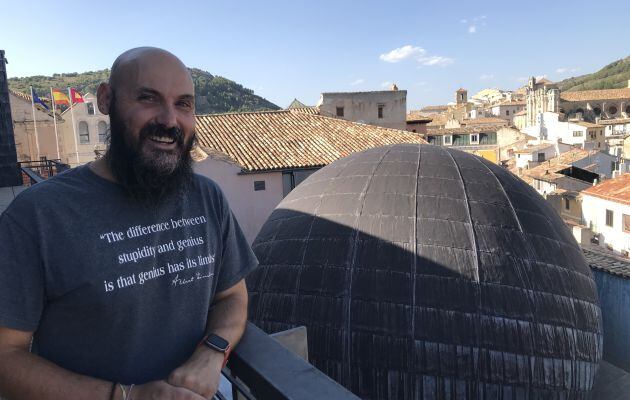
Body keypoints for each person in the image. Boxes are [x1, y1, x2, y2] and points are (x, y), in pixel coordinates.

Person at [0, 47, 258, 400]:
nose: (169, 120)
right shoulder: (37, 215)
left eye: (184, 104)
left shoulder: (207, 197)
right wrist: (128, 396)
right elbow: (6, 356)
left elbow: (232, 296)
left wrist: (212, 353)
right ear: (106, 99)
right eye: (148, 98)